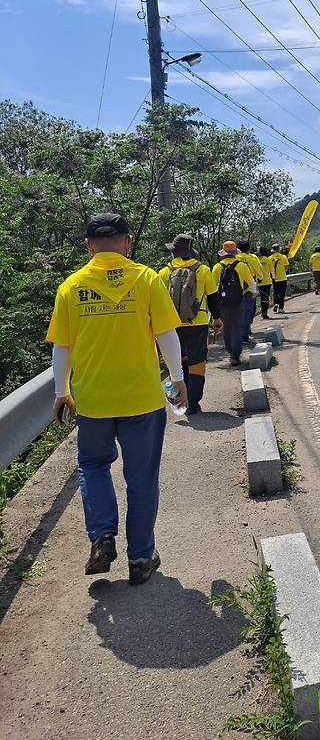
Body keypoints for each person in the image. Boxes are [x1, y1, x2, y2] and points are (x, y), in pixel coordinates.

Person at [47, 213, 186, 585]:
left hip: (93, 401)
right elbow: (167, 335)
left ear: (89, 246)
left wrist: (63, 392)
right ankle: (141, 558)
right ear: (126, 243)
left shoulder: (71, 287)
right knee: (141, 479)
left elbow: (63, 348)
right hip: (142, 398)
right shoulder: (146, 278)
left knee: (93, 466)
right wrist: (177, 379)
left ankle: (102, 535)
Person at [158, 234, 222, 415]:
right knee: (197, 363)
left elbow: (158, 301)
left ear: (174, 253)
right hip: (198, 323)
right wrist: (217, 318)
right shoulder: (203, 270)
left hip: (172, 325)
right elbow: (213, 297)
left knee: (177, 362)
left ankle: (180, 402)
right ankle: (193, 402)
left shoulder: (165, 272)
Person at [212, 241, 257, 366]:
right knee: (237, 327)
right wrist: (254, 292)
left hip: (222, 302)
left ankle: (230, 350)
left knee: (226, 327)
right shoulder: (241, 266)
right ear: (234, 253)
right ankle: (234, 355)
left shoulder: (217, 267)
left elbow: (213, 287)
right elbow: (251, 282)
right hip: (238, 301)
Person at [237, 240, 263, 346]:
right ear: (248, 249)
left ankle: (235, 335)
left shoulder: (235, 258)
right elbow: (260, 274)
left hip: (234, 291)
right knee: (247, 313)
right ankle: (244, 336)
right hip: (248, 290)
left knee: (236, 314)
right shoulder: (252, 258)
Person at [269, 244, 289, 313]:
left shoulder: (270, 258)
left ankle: (276, 303)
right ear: (279, 249)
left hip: (274, 278)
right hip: (283, 278)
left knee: (275, 292)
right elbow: (286, 268)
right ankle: (280, 308)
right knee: (282, 294)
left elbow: (268, 269)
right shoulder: (283, 257)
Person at [257, 246, 275, 319]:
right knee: (266, 298)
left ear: (260, 252)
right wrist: (273, 278)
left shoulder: (256, 260)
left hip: (259, 282)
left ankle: (262, 312)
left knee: (261, 297)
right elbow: (272, 270)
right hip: (267, 282)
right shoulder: (267, 260)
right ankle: (264, 313)